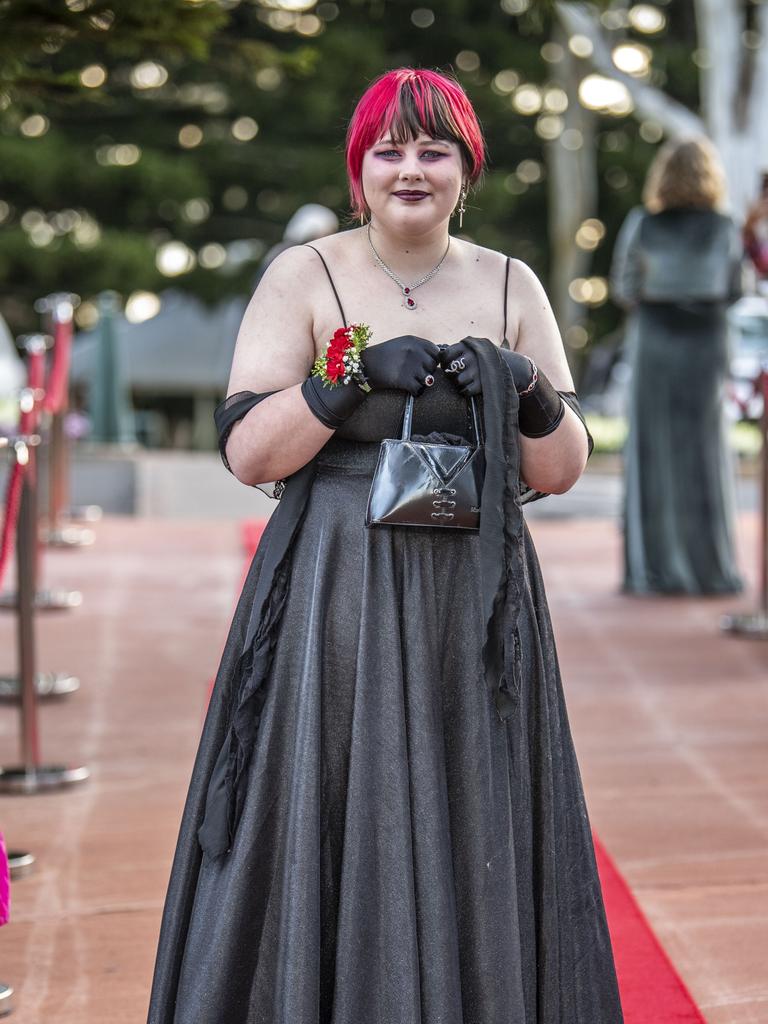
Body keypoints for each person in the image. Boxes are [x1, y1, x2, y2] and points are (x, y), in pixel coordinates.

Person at [148, 68, 623, 1023]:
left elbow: (563, 468)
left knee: (471, 806)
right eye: (388, 150)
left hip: (477, 599)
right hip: (338, 587)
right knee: (335, 798)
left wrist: (528, 389)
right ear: (358, 168)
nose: (411, 168)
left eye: (433, 149)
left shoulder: (509, 282)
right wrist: (345, 382)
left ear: (466, 167)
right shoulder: (308, 274)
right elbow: (249, 451)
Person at [611, 136, 743, 596]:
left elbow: (625, 287)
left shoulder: (643, 223)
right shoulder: (724, 226)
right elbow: (734, 288)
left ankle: (653, 569)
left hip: (656, 342)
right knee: (705, 453)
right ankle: (710, 568)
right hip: (706, 342)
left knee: (652, 451)